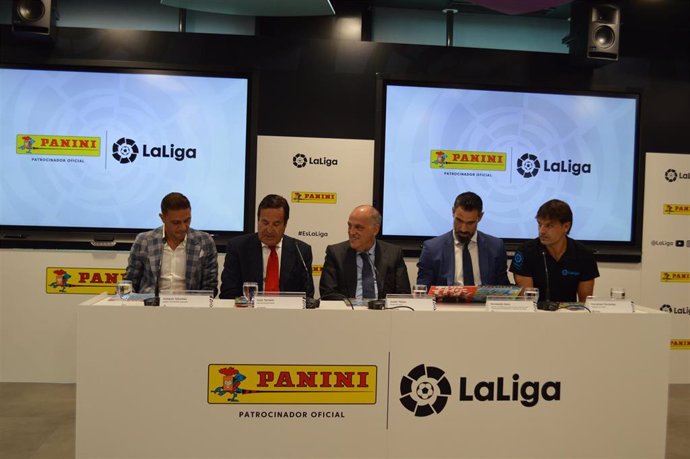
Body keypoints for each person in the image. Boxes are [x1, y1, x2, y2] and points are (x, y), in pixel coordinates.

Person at [219, 194, 314, 299]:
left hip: (287, 313)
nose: (269, 230)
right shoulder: (238, 247)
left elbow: (307, 295)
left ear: (285, 225)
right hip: (248, 313)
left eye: (276, 224)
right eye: (265, 223)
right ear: (258, 221)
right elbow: (228, 293)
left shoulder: (300, 251)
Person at [125, 192, 218, 295]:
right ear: (162, 218)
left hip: (190, 307)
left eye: (187, 220)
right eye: (176, 223)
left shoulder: (204, 241)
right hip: (151, 307)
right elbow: (129, 283)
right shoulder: (144, 241)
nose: (183, 227)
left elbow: (210, 288)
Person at [510, 199, 599, 302]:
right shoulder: (526, 252)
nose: (541, 231)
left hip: (569, 316)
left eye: (549, 226)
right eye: (540, 224)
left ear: (566, 226)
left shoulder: (584, 255)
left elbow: (585, 304)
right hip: (535, 315)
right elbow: (526, 302)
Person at [416, 192, 509, 288]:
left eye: (470, 223)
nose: (463, 229)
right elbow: (423, 291)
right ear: (453, 212)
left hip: (484, 302)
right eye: (459, 221)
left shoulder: (496, 247)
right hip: (446, 302)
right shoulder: (432, 249)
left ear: (480, 217)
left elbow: (503, 290)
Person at [319, 205, 411, 300]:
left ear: (375, 230)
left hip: (383, 312)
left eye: (359, 227)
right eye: (350, 226)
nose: (351, 232)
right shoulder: (335, 253)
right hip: (348, 312)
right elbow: (328, 293)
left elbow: (403, 294)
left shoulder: (393, 253)